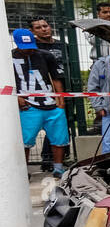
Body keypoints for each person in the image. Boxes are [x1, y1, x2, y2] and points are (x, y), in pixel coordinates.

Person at [11, 28, 69, 176]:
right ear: (16, 43)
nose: (29, 50)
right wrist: (16, 98)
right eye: (24, 48)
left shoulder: (46, 56)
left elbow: (56, 78)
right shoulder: (7, 57)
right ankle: (24, 171)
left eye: (31, 46)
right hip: (27, 106)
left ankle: (58, 168)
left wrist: (60, 101)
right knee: (25, 140)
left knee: (59, 138)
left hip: (51, 104)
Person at [30, 17, 67, 171]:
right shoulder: (33, 47)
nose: (44, 29)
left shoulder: (61, 44)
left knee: (63, 127)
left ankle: (62, 159)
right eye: (38, 27)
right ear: (32, 32)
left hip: (63, 88)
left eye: (45, 25)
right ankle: (47, 159)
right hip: (42, 92)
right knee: (41, 127)